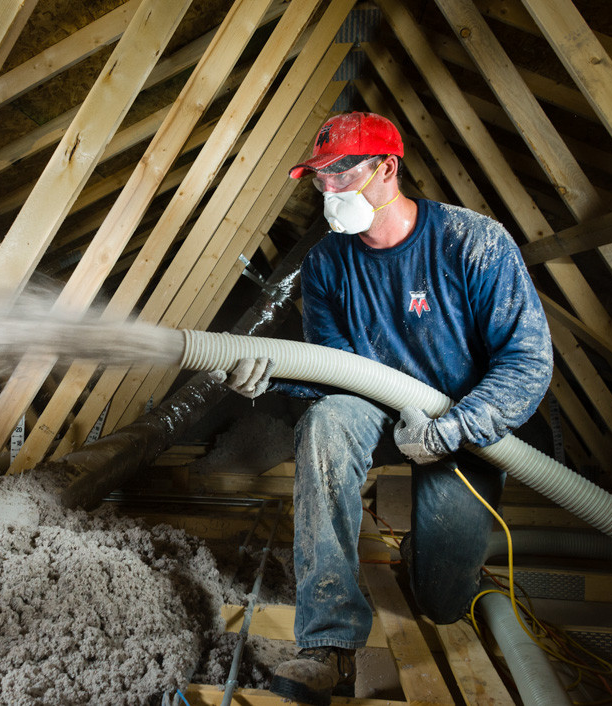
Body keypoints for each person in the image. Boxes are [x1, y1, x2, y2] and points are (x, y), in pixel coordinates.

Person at [215, 112, 553, 704]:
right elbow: (333, 374)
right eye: (319, 181)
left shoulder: (472, 241)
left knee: (444, 603)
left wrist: (457, 426)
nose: (329, 194)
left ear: (386, 168)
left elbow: (527, 363)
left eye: (341, 176)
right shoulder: (327, 263)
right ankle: (330, 644)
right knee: (326, 425)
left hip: (463, 423)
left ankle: (430, 555)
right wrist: (268, 379)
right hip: (372, 412)